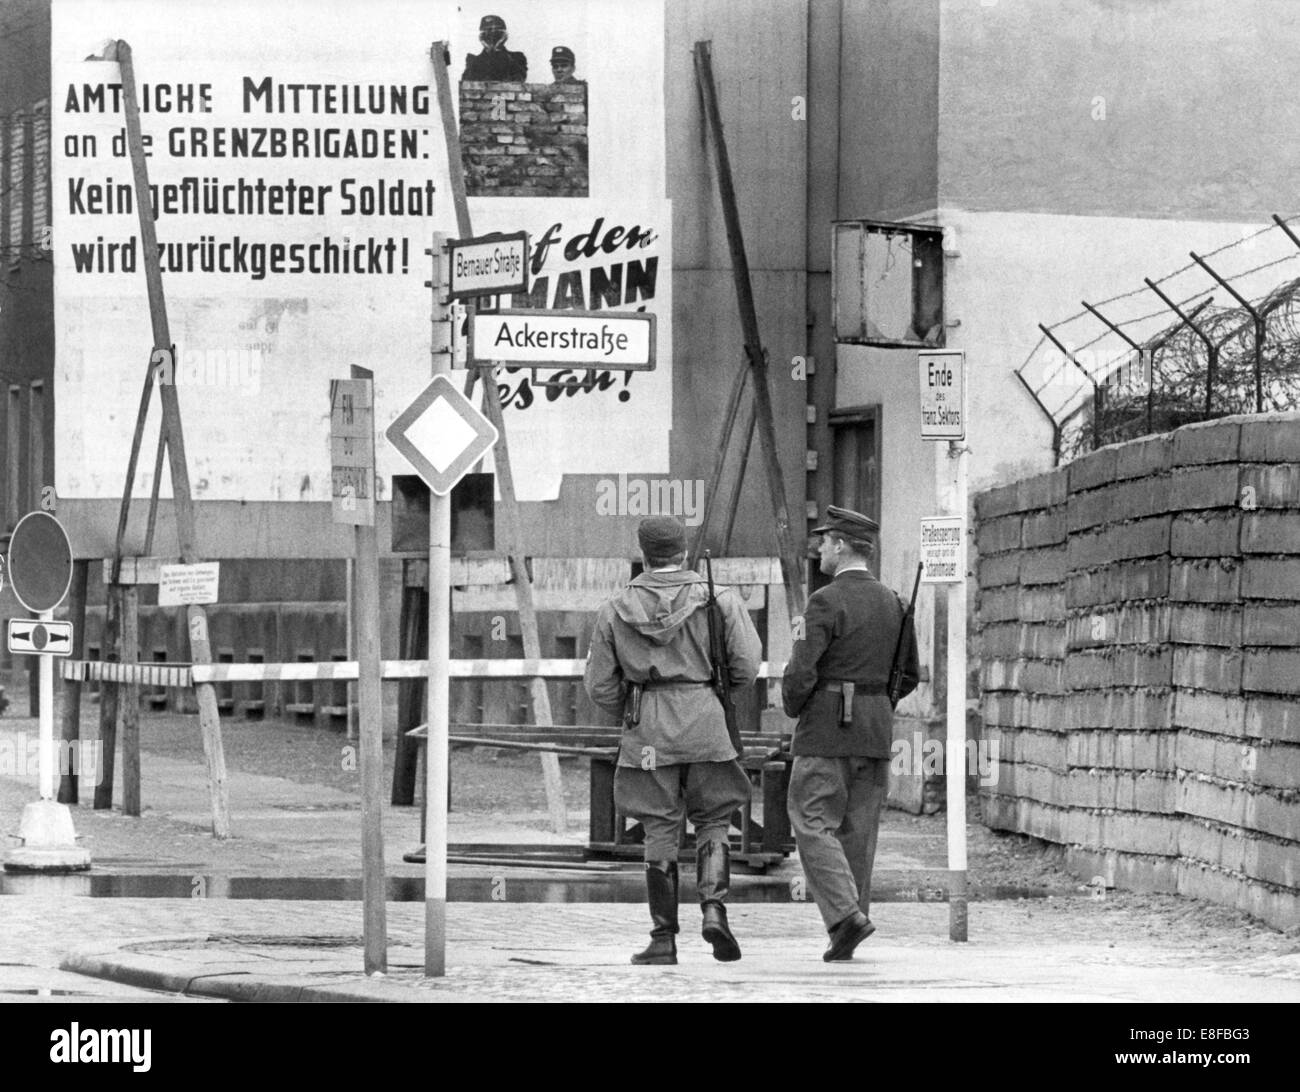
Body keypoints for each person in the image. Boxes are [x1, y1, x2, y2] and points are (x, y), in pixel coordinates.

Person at [584, 516, 761, 965]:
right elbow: (746, 666)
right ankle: (714, 911)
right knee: (715, 817)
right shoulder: (720, 599)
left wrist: (636, 704)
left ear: (644, 554)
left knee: (658, 826)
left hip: (648, 730)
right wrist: (709, 693)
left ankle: (663, 938)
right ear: (683, 553)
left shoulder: (614, 608)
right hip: (707, 723)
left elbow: (600, 686)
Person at [782, 505, 919, 961]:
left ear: (840, 546)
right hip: (877, 729)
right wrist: (876, 704)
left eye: (824, 539)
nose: (819, 547)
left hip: (826, 731)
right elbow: (910, 675)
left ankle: (844, 918)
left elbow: (801, 672)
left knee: (811, 820)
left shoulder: (823, 601)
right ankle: (848, 928)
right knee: (859, 833)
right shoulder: (897, 602)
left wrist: (797, 706)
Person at [463, 14, 528, 82]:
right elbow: (467, 82)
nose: (491, 35)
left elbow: (519, 78)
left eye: (496, 31)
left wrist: (498, 49)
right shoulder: (473, 60)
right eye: (487, 31)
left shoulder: (517, 57)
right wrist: (487, 50)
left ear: (502, 34)